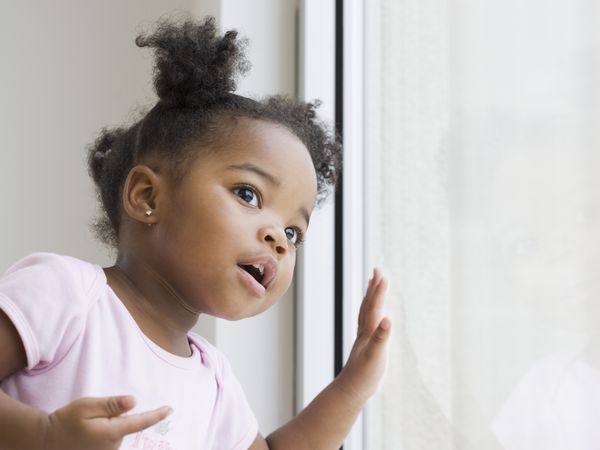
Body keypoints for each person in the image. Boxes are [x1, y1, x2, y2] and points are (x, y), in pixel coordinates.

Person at [0, 16, 391, 450]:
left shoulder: (214, 382)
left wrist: (352, 387)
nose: (280, 239)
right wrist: (42, 435)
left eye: (295, 233)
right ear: (148, 195)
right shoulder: (67, 295)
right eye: (248, 193)